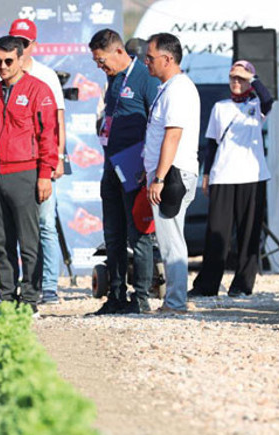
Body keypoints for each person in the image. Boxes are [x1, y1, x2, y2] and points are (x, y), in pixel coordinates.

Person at [0, 19, 67, 305]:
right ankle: (6, 297)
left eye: (8, 61)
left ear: (20, 59)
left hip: (26, 173)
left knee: (29, 241)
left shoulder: (38, 89)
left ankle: (30, 297)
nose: (2, 66)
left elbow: (48, 136)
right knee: (2, 242)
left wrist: (44, 175)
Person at [88, 28, 160, 315]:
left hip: (135, 167)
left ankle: (140, 298)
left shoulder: (145, 77)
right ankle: (115, 296)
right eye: (96, 61)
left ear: (119, 51)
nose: (99, 66)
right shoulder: (113, 78)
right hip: (112, 164)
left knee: (138, 235)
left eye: (101, 60)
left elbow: (156, 123)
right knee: (113, 234)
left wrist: (148, 165)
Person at [190, 61, 273, 298]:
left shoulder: (257, 105)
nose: (236, 82)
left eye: (241, 78)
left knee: (249, 232)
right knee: (217, 232)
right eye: (233, 78)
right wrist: (206, 174)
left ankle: (242, 285)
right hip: (223, 176)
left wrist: (252, 79)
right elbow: (212, 144)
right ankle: (207, 285)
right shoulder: (220, 107)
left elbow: (268, 99)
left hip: (252, 176)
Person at [143, 33, 200, 314]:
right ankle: (176, 299)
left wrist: (159, 178)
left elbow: (173, 135)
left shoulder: (178, 89)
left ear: (167, 59)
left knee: (171, 240)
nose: (146, 62)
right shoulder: (168, 88)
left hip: (172, 174)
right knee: (171, 238)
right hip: (169, 172)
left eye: (150, 57)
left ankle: (175, 302)